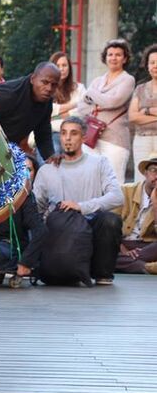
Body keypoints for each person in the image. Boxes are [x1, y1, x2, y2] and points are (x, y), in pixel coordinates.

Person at [32, 116, 124, 285]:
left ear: (83, 137)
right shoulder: (47, 169)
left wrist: (81, 206)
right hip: (61, 230)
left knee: (110, 220)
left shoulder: (99, 163)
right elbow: (36, 207)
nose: (67, 138)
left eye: (74, 133)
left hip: (91, 223)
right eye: (64, 133)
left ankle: (102, 273)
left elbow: (117, 197)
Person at [0, 62, 60, 161]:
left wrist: (50, 157)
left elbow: (43, 133)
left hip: (6, 151)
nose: (49, 88)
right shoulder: (8, 94)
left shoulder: (46, 101)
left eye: (54, 85)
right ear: (33, 79)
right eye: (45, 82)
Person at [77, 39, 136, 185]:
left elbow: (114, 101)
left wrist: (91, 94)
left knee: (114, 183)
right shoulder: (98, 80)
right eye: (110, 54)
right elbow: (81, 107)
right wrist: (98, 103)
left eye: (118, 55)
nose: (113, 58)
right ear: (105, 57)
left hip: (115, 140)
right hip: (92, 138)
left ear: (125, 58)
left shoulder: (128, 80)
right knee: (90, 181)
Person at [114, 152, 157, 274]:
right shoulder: (125, 191)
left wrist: (155, 203)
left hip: (148, 247)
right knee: (101, 247)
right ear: (145, 173)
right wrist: (123, 250)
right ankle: (147, 267)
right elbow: (110, 224)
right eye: (154, 170)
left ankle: (120, 263)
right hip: (122, 243)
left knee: (105, 260)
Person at [127, 43, 157, 181]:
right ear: (147, 65)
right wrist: (151, 111)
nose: (155, 66)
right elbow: (132, 116)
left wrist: (143, 112)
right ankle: (141, 204)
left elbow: (138, 115)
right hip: (141, 140)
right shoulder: (140, 88)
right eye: (152, 62)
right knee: (141, 179)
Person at [49, 51, 86, 154]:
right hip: (52, 133)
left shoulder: (79, 88)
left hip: (75, 134)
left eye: (64, 65)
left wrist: (56, 115)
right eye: (58, 65)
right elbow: (46, 111)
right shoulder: (47, 89)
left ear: (69, 67)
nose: (61, 69)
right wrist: (74, 105)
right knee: (54, 153)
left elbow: (84, 110)